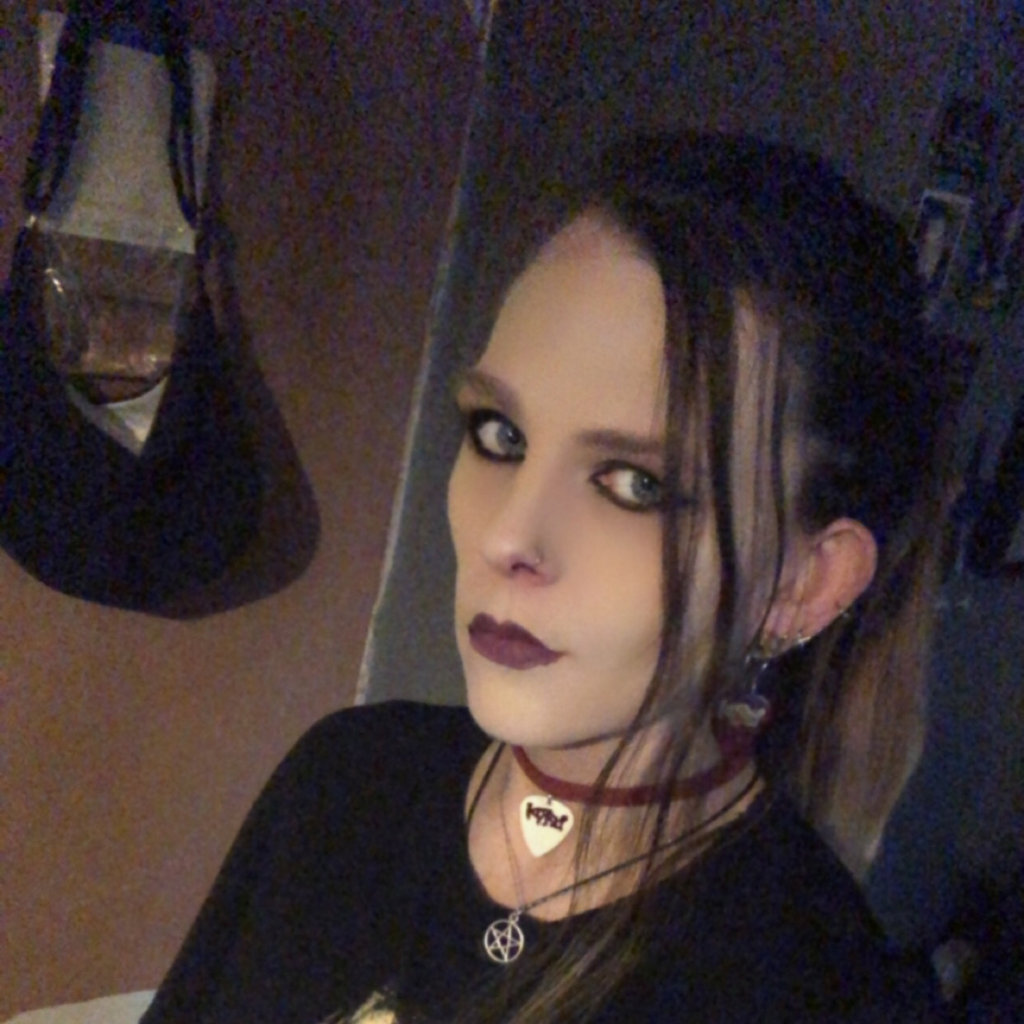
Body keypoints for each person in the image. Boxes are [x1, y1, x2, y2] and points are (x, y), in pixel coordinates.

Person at [140, 132, 953, 1023]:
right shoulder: (343, 784)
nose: (509, 536)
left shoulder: (822, 992)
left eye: (635, 485)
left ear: (803, 585)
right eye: (500, 435)